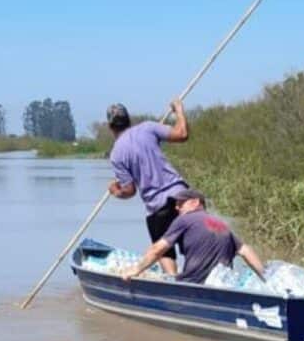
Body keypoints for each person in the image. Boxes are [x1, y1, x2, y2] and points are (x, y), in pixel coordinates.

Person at [106, 100, 190, 275]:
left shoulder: (117, 154)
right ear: (129, 120)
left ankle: (172, 283)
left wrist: (116, 192)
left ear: (110, 127)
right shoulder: (148, 128)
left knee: (163, 251)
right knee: (193, 243)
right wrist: (179, 111)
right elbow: (182, 134)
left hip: (158, 207)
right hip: (183, 196)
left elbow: (129, 191)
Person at [122, 188, 265, 284]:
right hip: (221, 284)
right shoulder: (220, 223)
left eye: (180, 203)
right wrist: (266, 279)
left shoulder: (184, 219)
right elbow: (246, 250)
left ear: (195, 202)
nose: (176, 207)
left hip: (193, 283)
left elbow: (158, 249)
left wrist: (137, 269)